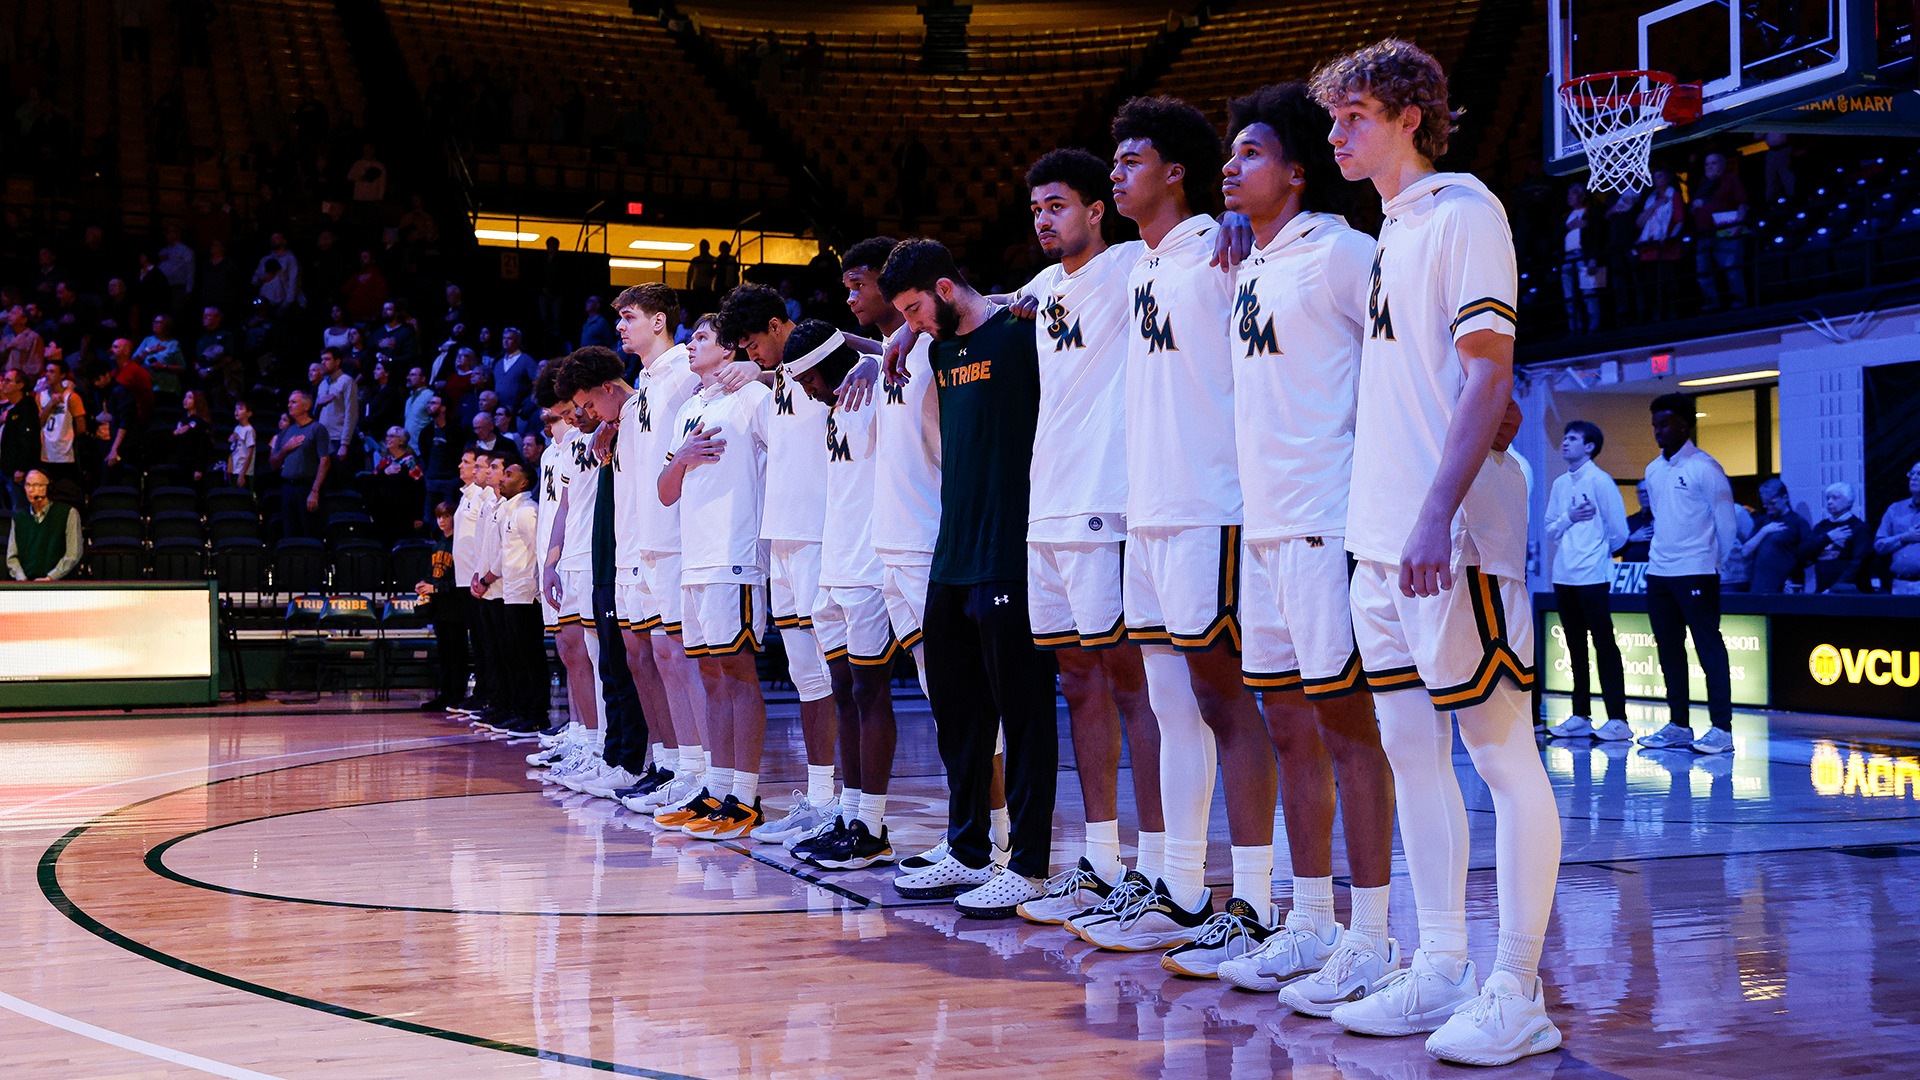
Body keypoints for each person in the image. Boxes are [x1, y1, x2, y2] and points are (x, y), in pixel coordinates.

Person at [1307, 40, 1562, 1065]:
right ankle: (1443, 965)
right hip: (1382, 542)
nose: (1336, 135)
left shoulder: (1464, 214)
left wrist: (1429, 515)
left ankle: (1519, 988)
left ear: (1411, 114)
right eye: (1332, 120)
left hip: (1451, 537)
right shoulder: (1389, 234)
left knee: (1502, 756)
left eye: (1354, 115)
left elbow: (1486, 381)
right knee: (1414, 756)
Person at [1204, 82, 1396, 990]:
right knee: (1287, 726)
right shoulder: (1250, 264)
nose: (1230, 167)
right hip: (1265, 525)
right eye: (1229, 155)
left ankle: (1375, 934)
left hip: (1329, 520)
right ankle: (1312, 921)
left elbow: (1414, 350)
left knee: (1352, 731)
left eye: (1248, 153)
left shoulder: (1342, 252)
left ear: (1296, 171)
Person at [1078, 93, 1255, 951]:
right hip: (1144, 513)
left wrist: (1237, 222)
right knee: (1169, 705)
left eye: (1129, 161)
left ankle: (1252, 899)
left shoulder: (1219, 254)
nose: (1114, 174)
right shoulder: (1138, 267)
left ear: (1175, 173)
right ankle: (1177, 887)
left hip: (1208, 505)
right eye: (1112, 163)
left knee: (1228, 704)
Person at [984, 149, 1168, 934]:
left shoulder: (1132, 262)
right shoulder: (1041, 288)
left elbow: (1200, 242)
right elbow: (987, 304)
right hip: (1047, 506)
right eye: (1035, 210)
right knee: (1078, 681)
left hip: (1108, 500)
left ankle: (1162, 866)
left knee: (1134, 685)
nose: (1044, 220)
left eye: (1058, 205)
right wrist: (882, 342)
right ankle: (1100, 860)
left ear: (1098, 209)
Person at [880, 239, 1060, 919]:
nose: (915, 322)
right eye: (906, 314)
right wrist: (904, 331)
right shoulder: (935, 348)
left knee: (1023, 711)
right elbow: (911, 333)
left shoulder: (1022, 325)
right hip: (952, 549)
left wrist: (1029, 298)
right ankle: (967, 847)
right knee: (956, 710)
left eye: (917, 307)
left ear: (948, 288)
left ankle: (1032, 864)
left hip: (1011, 543)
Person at [716, 284, 849, 843]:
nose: (750, 355)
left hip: (825, 537)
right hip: (783, 540)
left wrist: (769, 376)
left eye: (753, 343)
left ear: (778, 325)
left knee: (841, 677)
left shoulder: (832, 364)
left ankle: (852, 805)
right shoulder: (767, 388)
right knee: (806, 679)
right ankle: (820, 800)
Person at [784, 320, 900, 870]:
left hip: (871, 565)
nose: (802, 390)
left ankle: (872, 825)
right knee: (846, 691)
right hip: (835, 565)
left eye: (804, 377)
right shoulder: (838, 398)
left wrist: (878, 358)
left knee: (872, 693)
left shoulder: (876, 385)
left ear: (818, 366)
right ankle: (851, 815)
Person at [657, 314, 777, 840]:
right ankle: (717, 789)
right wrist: (680, 459)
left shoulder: (751, 397)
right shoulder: (688, 408)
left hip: (736, 550)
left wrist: (763, 373)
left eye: (701, 338)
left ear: (729, 351)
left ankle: (745, 797)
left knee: (738, 672)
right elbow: (664, 491)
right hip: (694, 556)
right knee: (709, 674)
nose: (690, 345)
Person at [599, 284, 707, 807]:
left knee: (679, 655)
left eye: (628, 317)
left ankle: (704, 770)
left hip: (677, 536)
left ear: (660, 321)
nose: (619, 326)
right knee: (655, 656)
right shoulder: (645, 381)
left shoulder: (686, 368)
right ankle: (675, 763)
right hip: (643, 538)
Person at [554, 347, 660, 802]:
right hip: (606, 554)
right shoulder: (614, 425)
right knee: (614, 666)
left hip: (632, 552)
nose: (585, 414)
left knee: (628, 664)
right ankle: (617, 755)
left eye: (588, 405)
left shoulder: (639, 410)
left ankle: (633, 760)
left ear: (607, 389)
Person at [1636, 392, 1738, 755]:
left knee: (1708, 647)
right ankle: (1679, 724)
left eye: (1664, 424)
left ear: (1684, 424)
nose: (1658, 431)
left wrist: (1722, 565)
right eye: (1654, 425)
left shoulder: (1705, 467)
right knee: (1668, 650)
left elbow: (1727, 523)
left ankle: (1721, 730)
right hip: (1659, 572)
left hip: (1696, 571)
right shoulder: (1652, 470)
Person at [1544, 420, 1632, 740]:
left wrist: (1595, 554)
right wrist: (1569, 517)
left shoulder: (1601, 481)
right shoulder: (1559, 484)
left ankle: (1618, 719)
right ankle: (1580, 714)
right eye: (1564, 437)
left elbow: (1620, 532)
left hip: (1592, 576)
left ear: (1590, 446)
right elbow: (1550, 529)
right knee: (1575, 646)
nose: (1565, 443)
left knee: (1604, 644)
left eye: (1572, 438)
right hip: (1564, 575)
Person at [479, 449, 547, 734]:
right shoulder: (513, 510)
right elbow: (506, 555)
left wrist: (538, 591)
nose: (502, 480)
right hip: (512, 593)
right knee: (515, 655)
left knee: (530, 657)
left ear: (524, 483)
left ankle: (536, 715)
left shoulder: (528, 511)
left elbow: (538, 553)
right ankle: (521, 711)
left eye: (509, 475)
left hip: (526, 595)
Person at [416, 501, 469, 711]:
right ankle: (445, 694)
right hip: (440, 608)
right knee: (444, 654)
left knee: (457, 654)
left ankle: (457, 695)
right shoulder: (438, 543)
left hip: (455, 607)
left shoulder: (460, 544)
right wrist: (424, 583)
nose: (441, 521)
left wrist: (436, 588)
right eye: (439, 517)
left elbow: (461, 578)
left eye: (446, 516)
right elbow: (434, 573)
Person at [267, 390, 332, 539]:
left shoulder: (317, 429)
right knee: (290, 533)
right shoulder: (286, 432)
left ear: (306, 406)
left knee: (310, 532)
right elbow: (274, 464)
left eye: (293, 402)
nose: (289, 405)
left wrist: (315, 491)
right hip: (288, 488)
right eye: (289, 402)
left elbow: (325, 461)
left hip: (307, 487)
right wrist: (285, 449)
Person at [1692, 151, 1749, 311]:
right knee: (1703, 274)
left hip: (1726, 232)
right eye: (1707, 164)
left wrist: (1739, 224)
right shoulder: (1703, 184)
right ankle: (1711, 304)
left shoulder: (1731, 179)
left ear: (1722, 165)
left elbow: (1742, 203)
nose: (1709, 166)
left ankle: (1739, 303)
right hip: (1704, 235)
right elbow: (1694, 209)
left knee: (1732, 270)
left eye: (1713, 163)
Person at [7, 469, 80, 581]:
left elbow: (72, 554)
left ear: (48, 487)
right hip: (27, 585)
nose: (31, 490)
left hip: (61, 585)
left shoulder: (68, 513)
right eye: (28, 485)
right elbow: (12, 557)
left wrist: (50, 578)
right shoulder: (19, 518)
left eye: (37, 485)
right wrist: (23, 580)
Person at [1743, 478, 1811, 593]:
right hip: (1759, 584)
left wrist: (1793, 579)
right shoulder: (1763, 522)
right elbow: (1745, 551)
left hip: (1785, 584)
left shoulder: (1798, 522)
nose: (1769, 508)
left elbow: (1807, 555)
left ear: (1785, 497)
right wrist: (1764, 531)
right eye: (1766, 504)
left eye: (1772, 503)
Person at [1801, 481, 1867, 593]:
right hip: (1822, 589)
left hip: (1848, 592)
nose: (1830, 502)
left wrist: (1835, 588)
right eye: (1828, 498)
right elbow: (1805, 553)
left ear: (1848, 501)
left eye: (1835, 498)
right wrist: (1827, 538)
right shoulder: (1821, 527)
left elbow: (1859, 562)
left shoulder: (1859, 528)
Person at [35, 356, 85, 489]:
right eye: (47, 371)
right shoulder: (41, 396)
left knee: (67, 488)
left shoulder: (72, 397)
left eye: (52, 372)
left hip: (65, 454)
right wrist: (49, 405)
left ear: (62, 375)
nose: (48, 375)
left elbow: (81, 427)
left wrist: (68, 438)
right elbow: (38, 423)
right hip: (46, 453)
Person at [1872, 461, 1920, 594]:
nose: (1913, 477)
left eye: (1919, 474)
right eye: (1912, 473)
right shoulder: (1895, 509)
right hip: (1900, 585)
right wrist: (1905, 537)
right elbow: (1879, 546)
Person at [0, 368, 41, 513]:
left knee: (21, 510)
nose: (4, 384)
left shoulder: (26, 408)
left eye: (8, 381)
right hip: (6, 468)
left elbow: (28, 439)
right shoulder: (12, 410)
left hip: (17, 472)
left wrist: (22, 468)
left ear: (20, 385)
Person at [314, 347, 358, 472]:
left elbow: (351, 413)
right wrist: (318, 405)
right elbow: (315, 415)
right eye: (322, 360)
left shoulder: (346, 381)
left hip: (338, 439)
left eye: (327, 359)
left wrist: (344, 444)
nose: (323, 363)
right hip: (323, 440)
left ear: (337, 362)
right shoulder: (322, 384)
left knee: (341, 481)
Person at [490, 327, 535, 414]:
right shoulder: (499, 362)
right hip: (500, 411)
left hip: (519, 412)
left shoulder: (526, 360)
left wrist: (527, 405)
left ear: (518, 341)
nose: (505, 341)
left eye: (509, 339)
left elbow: (538, 383)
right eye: (504, 338)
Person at [225, 399, 256, 489]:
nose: (237, 411)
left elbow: (249, 453)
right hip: (235, 469)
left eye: (240, 409)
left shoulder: (249, 430)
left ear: (249, 414)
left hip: (244, 472)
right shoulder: (237, 428)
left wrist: (242, 475)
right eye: (236, 409)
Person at [1620, 480, 1654, 562]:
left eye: (1647, 491)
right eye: (1641, 492)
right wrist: (1631, 539)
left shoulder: (1664, 520)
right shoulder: (1629, 521)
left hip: (1655, 570)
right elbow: (1615, 551)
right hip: (1630, 571)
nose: (1644, 495)